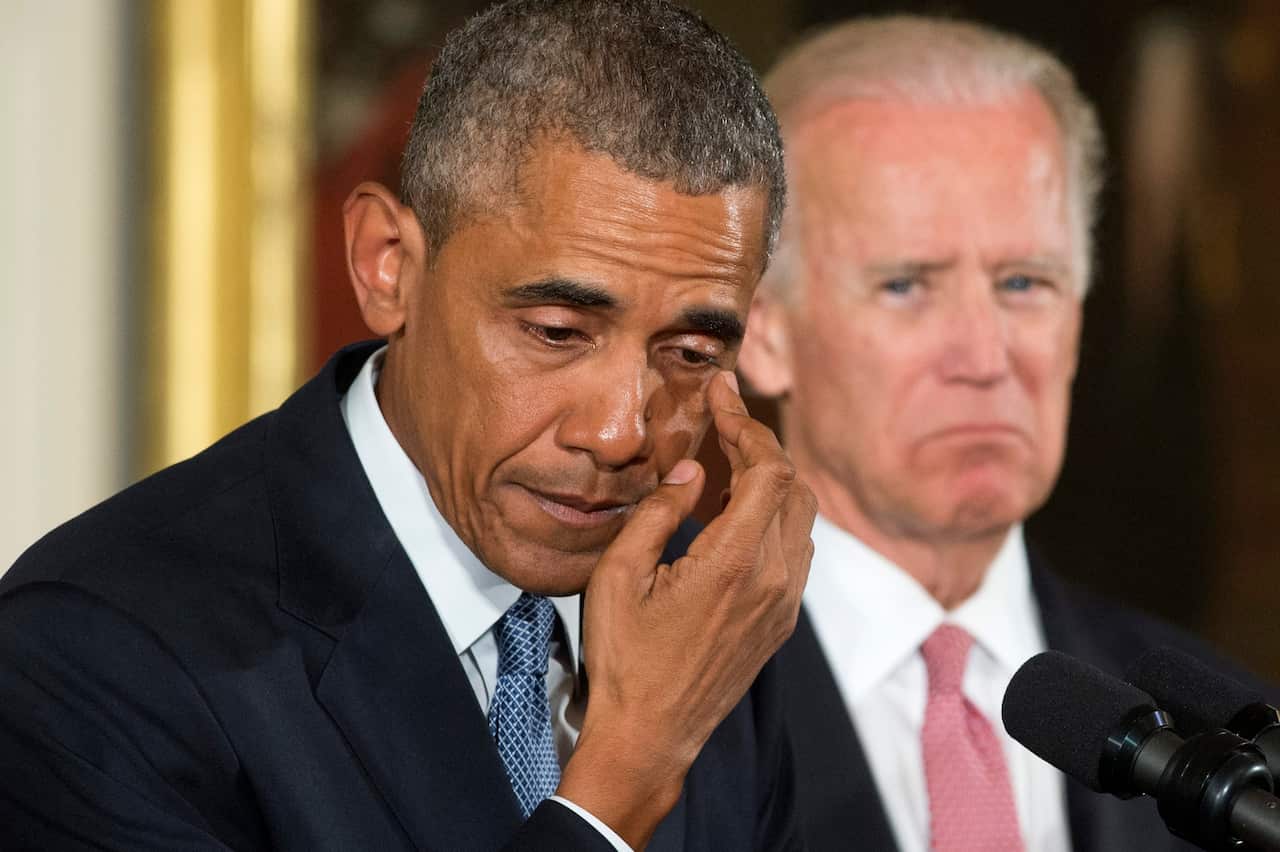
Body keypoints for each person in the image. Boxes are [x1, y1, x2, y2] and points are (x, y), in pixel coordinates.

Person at [0, 2, 815, 850]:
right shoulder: (94, 654)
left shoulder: (707, 617)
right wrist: (621, 780)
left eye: (690, 352)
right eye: (556, 334)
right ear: (387, 264)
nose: (618, 434)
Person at [737, 15, 1232, 852]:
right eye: (905, 286)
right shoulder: (641, 716)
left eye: (1024, 282)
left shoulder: (1219, 742)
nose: (984, 355)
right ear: (764, 334)